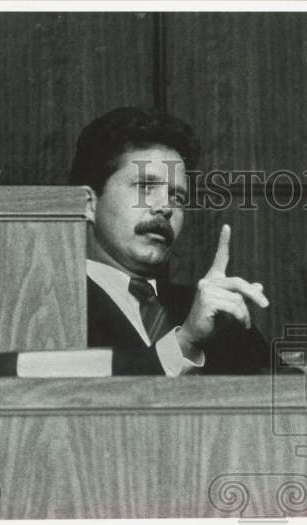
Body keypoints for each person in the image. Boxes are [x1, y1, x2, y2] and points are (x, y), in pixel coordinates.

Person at [70, 106, 272, 375]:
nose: (165, 207)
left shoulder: (214, 310)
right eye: (145, 188)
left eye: (177, 196)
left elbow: (288, 399)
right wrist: (184, 343)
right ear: (89, 203)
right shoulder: (53, 307)